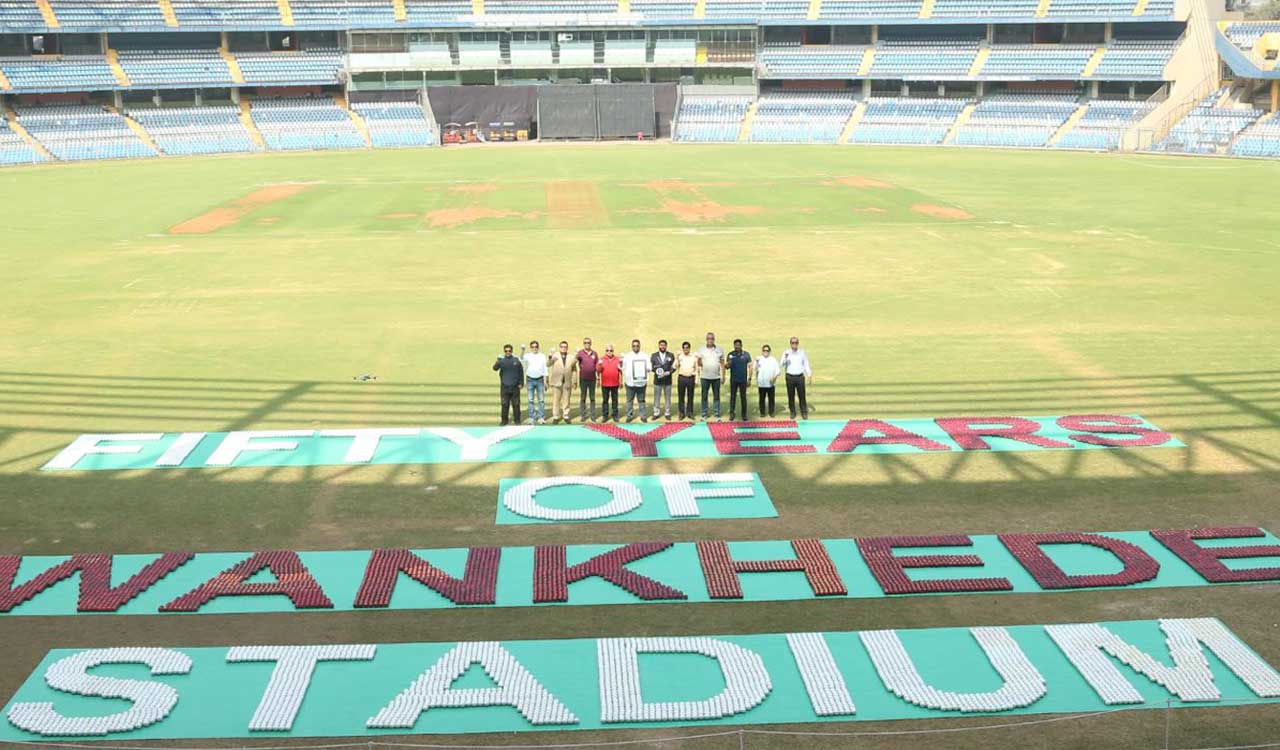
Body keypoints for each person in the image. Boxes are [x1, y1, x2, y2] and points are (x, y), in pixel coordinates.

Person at [781, 337, 812, 420]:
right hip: (789, 377)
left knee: (802, 395)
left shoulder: (802, 353)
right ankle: (792, 412)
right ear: (790, 343)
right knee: (791, 395)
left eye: (796, 342)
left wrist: (809, 375)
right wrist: (785, 358)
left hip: (800, 377)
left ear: (798, 343)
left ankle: (804, 412)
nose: (794, 344)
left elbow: (806, 364)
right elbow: (782, 364)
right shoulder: (786, 352)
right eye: (792, 342)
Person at [492, 344, 524, 426]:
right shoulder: (501, 361)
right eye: (506, 351)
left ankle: (517, 420)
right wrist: (497, 361)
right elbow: (495, 368)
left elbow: (521, 372)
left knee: (516, 404)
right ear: (504, 351)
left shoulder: (516, 360)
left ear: (512, 351)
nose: (508, 352)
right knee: (504, 405)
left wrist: (521, 383)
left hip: (515, 387)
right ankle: (504, 421)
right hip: (505, 387)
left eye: (509, 351)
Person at [697, 331, 724, 422]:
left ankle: (717, 414)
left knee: (716, 396)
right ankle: (704, 414)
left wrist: (723, 376)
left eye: (712, 339)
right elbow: (699, 364)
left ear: (714, 339)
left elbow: (722, 363)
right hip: (705, 377)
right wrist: (699, 360)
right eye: (708, 339)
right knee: (704, 396)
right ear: (706, 339)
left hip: (716, 377)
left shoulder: (719, 349)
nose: (710, 340)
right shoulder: (701, 349)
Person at [622, 339, 651, 423]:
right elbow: (623, 367)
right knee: (629, 400)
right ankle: (629, 416)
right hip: (630, 383)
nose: (635, 347)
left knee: (641, 400)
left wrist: (647, 369)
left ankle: (643, 416)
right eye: (634, 346)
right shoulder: (627, 356)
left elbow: (649, 366)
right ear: (631, 346)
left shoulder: (644, 356)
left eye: (637, 345)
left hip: (641, 383)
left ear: (639, 346)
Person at [547, 340, 575, 424]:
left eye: (565, 347)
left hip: (567, 381)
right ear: (560, 348)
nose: (563, 348)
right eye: (562, 347)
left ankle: (566, 415)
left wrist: (574, 380)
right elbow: (548, 364)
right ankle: (556, 416)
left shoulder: (571, 357)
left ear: (567, 348)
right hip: (557, 382)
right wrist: (550, 357)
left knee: (566, 400)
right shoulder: (555, 355)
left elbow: (574, 369)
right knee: (556, 400)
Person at [520, 340, 547, 425]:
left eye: (536, 347)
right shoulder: (528, 355)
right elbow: (521, 358)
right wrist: (523, 350)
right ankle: (531, 417)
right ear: (531, 348)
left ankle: (541, 417)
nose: (534, 348)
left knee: (541, 400)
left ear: (538, 347)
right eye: (533, 347)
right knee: (530, 399)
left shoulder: (542, 356)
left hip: (540, 379)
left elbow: (545, 368)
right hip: (530, 379)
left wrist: (546, 381)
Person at [726, 338, 752, 421]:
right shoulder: (731, 354)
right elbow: (727, 366)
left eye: (738, 345)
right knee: (732, 397)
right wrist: (728, 364)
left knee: (743, 397)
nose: (737, 347)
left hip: (743, 380)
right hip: (733, 380)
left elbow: (750, 367)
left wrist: (749, 379)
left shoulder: (746, 355)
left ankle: (744, 414)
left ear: (741, 345)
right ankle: (732, 414)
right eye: (735, 345)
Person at [576, 337, 600, 423]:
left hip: (592, 379)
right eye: (585, 342)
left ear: (591, 343)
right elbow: (575, 361)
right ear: (583, 344)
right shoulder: (580, 353)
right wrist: (576, 355)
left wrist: (598, 378)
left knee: (592, 398)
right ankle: (583, 416)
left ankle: (592, 416)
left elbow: (597, 366)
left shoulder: (595, 353)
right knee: (583, 398)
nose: (587, 344)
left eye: (588, 342)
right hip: (583, 379)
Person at [650, 339, 675, 421]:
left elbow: (674, 366)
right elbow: (651, 367)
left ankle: (667, 413)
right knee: (656, 398)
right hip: (657, 381)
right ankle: (656, 413)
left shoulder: (671, 355)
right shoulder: (654, 355)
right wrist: (657, 371)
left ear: (666, 346)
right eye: (661, 345)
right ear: (659, 346)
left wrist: (669, 372)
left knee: (667, 398)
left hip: (668, 380)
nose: (662, 347)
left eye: (664, 345)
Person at [598, 344, 623, 422]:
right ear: (605, 351)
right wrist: (599, 365)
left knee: (615, 400)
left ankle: (615, 415)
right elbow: (598, 371)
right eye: (607, 350)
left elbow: (620, 371)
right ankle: (605, 416)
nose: (609, 352)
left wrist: (621, 381)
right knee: (605, 401)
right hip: (605, 384)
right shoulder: (601, 359)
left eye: (611, 350)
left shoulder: (617, 359)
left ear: (613, 351)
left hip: (615, 384)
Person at [755, 343, 780, 418]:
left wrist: (774, 378)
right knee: (761, 399)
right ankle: (762, 412)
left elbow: (778, 371)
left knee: (771, 399)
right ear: (762, 351)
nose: (766, 352)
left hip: (771, 384)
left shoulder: (773, 360)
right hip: (762, 383)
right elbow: (755, 369)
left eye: (767, 350)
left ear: (769, 351)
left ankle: (771, 412)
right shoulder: (758, 359)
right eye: (764, 350)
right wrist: (756, 363)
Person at [675, 341, 698, 421]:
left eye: (687, 348)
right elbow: (675, 366)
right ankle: (681, 413)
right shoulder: (680, 356)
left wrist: (696, 380)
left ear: (689, 348)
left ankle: (690, 412)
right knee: (681, 396)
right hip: (682, 378)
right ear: (682, 349)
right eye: (684, 348)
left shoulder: (693, 357)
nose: (686, 349)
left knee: (690, 396)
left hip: (691, 378)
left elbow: (696, 368)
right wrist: (676, 358)